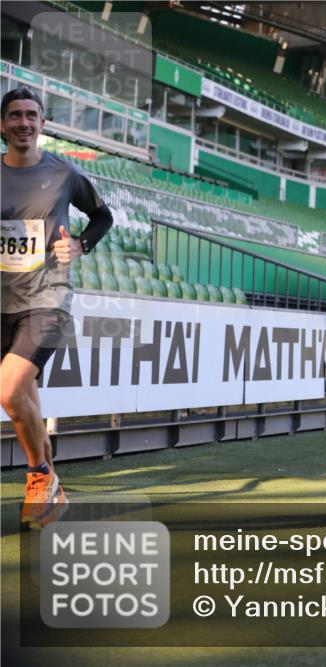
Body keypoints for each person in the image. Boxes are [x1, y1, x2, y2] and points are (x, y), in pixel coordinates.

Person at [1, 88, 113, 530]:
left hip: (48, 298)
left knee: (10, 392)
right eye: (15, 116)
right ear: (3, 125)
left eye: (31, 115)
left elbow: (103, 216)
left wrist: (81, 243)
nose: (23, 123)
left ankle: (39, 476)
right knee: (24, 397)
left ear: (43, 125)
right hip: (3, 302)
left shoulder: (64, 173)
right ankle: (54, 494)